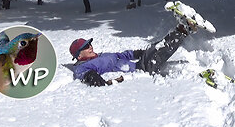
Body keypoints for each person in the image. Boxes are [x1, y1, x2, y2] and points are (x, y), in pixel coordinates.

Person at [69, 21, 197, 87]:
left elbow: (121, 55)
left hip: (138, 65)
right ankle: (182, 31)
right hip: (140, 71)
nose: (90, 46)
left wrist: (137, 53)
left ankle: (182, 30)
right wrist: (92, 78)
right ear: (79, 56)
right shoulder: (82, 66)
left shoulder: (101, 55)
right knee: (158, 52)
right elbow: (83, 75)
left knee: (154, 47)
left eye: (89, 44)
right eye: (86, 47)